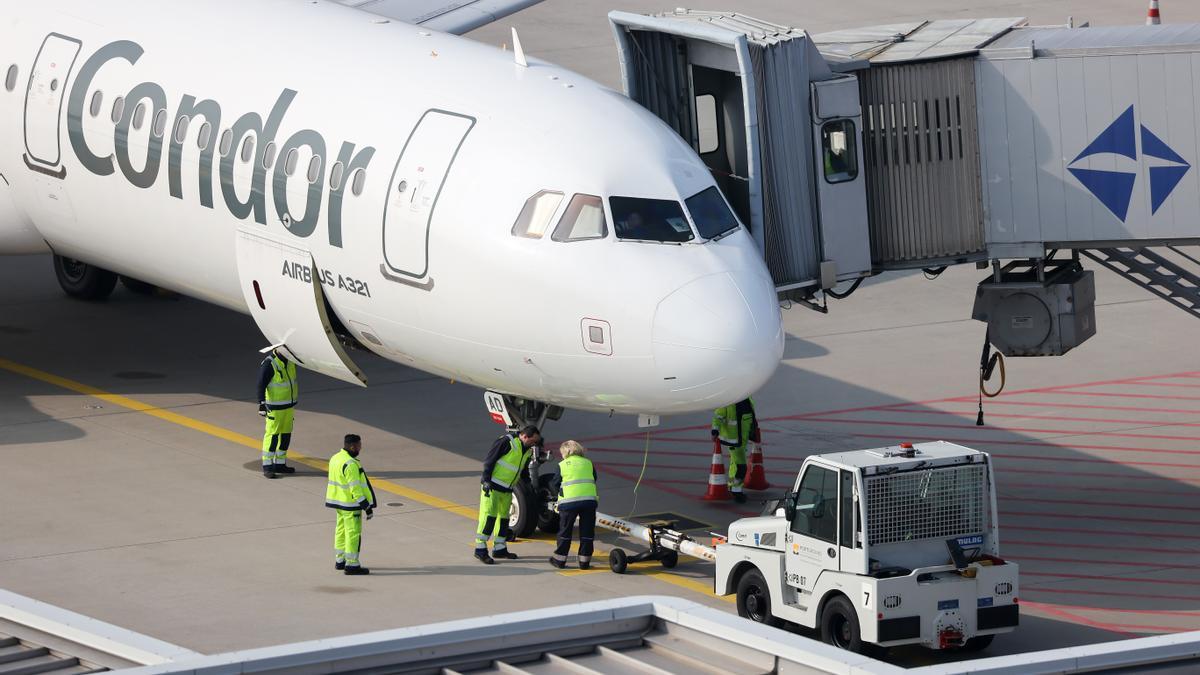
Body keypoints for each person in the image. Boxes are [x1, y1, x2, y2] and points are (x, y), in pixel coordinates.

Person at [475, 425, 542, 565]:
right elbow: (489, 461)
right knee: (488, 517)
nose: (534, 444)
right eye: (533, 441)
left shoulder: (527, 450)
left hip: (507, 489)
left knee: (504, 519)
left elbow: (522, 470)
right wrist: (486, 480)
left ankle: (499, 548)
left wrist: (528, 485)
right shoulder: (507, 442)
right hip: (492, 486)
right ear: (524, 436)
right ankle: (480, 549)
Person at [325, 434, 376, 575]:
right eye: (359, 445)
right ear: (352, 446)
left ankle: (340, 560)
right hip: (350, 505)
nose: (360, 448)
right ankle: (352, 564)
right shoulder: (351, 464)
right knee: (353, 533)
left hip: (338, 502)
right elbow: (356, 489)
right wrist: (367, 507)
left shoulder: (335, 458)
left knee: (340, 531)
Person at [549, 440, 597, 570]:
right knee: (587, 532)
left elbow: (554, 483)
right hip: (589, 501)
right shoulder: (588, 463)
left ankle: (559, 560)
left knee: (565, 532)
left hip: (569, 503)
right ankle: (584, 562)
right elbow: (594, 478)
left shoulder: (562, 465)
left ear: (566, 452)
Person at [256, 346, 298, 479]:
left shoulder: (290, 361)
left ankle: (280, 464)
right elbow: (261, 384)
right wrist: (261, 404)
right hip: (274, 408)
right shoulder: (270, 364)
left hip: (288, 406)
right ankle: (267, 467)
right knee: (272, 436)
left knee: (286, 436)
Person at [712, 398, 758, 503]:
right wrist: (715, 430)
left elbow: (751, 416)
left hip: (742, 440)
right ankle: (736, 491)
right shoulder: (728, 401)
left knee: (735, 465)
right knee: (741, 467)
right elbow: (717, 417)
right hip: (734, 441)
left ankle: (732, 486)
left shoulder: (747, 398)